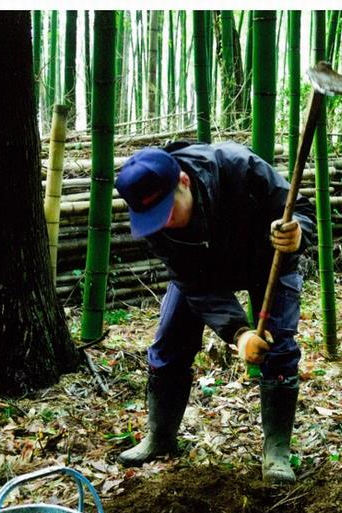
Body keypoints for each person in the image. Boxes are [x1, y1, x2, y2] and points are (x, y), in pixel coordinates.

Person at [113, 141, 316, 483]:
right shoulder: (156, 226)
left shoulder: (238, 167)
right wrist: (239, 333)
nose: (163, 223)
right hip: (202, 272)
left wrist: (297, 233)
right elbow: (194, 284)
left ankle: (276, 452)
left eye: (167, 211)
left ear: (184, 182)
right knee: (168, 343)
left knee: (278, 349)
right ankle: (160, 437)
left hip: (269, 261)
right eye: (153, 218)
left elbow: (300, 210)